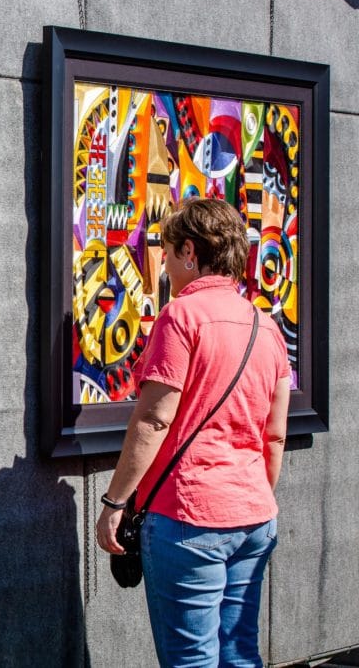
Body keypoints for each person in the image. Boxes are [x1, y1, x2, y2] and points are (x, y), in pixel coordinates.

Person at [94, 197, 291, 667]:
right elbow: (275, 434)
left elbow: (154, 418)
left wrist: (114, 503)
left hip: (189, 516)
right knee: (241, 654)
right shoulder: (267, 328)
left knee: (191, 659)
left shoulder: (181, 317)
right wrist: (251, 497)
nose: (162, 265)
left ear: (188, 250)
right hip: (254, 515)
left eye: (165, 251)